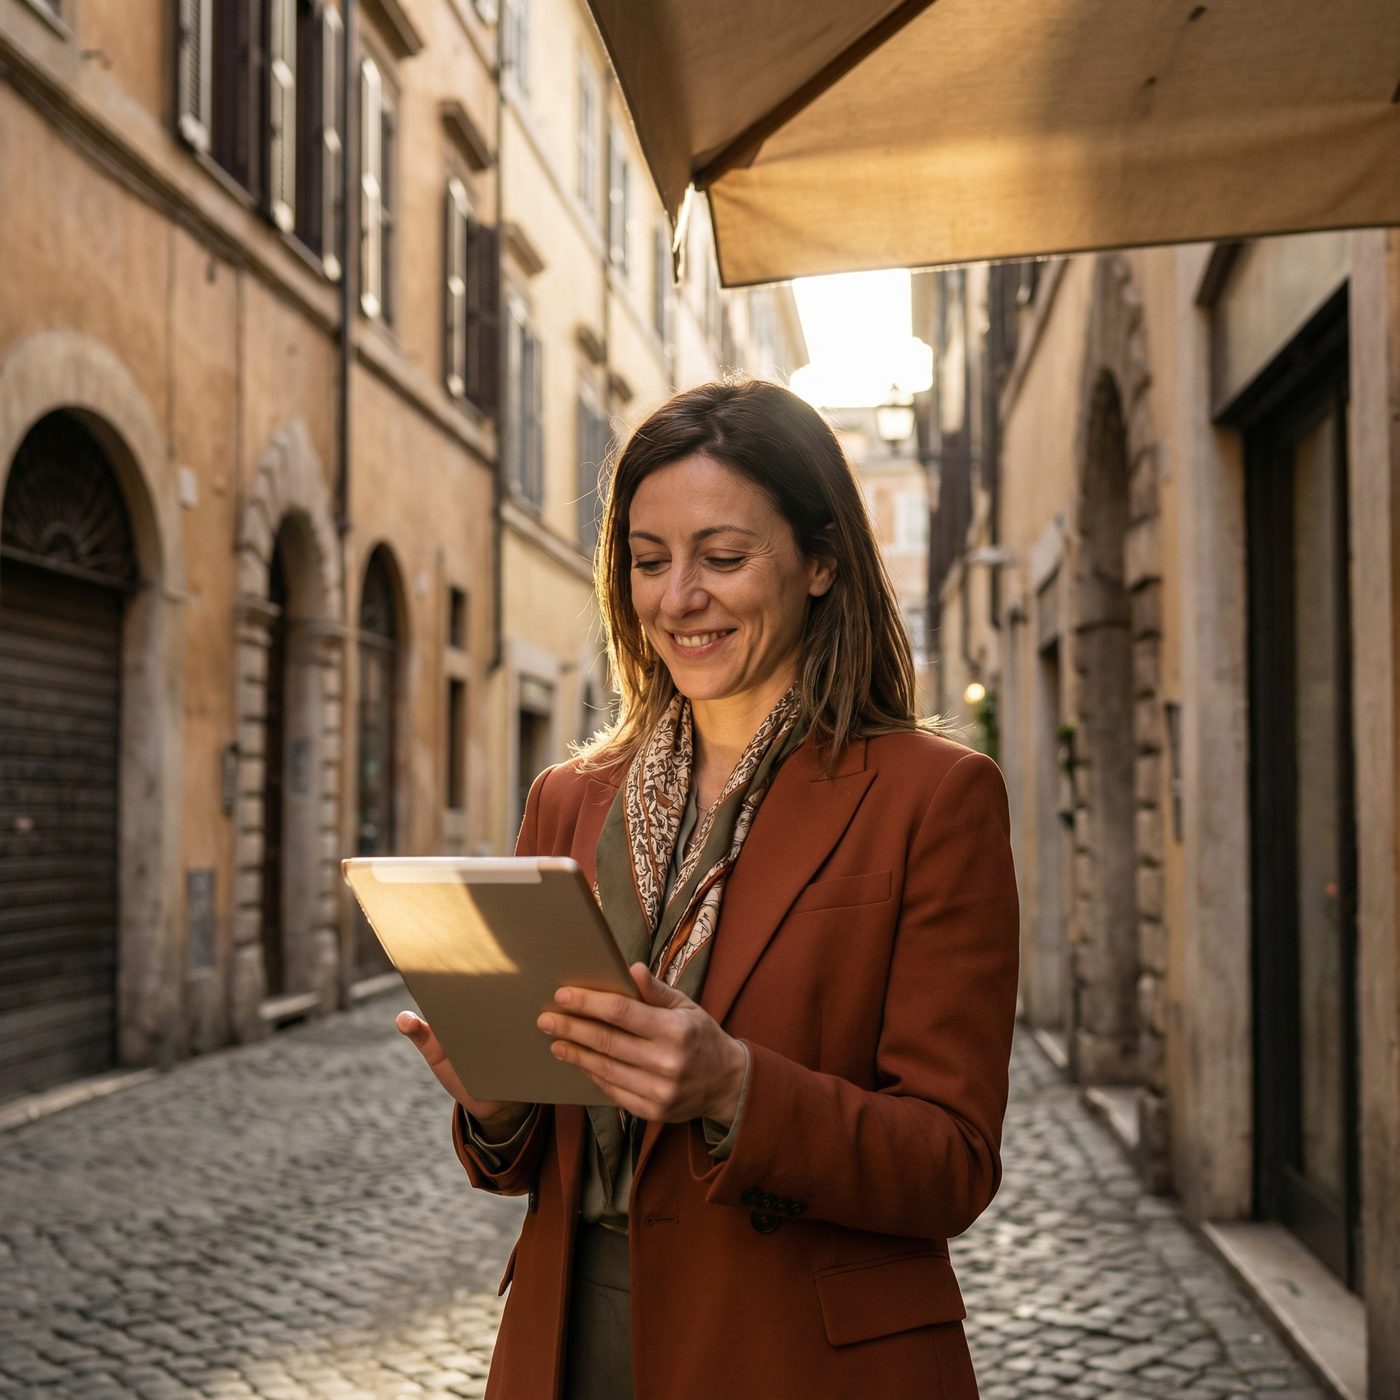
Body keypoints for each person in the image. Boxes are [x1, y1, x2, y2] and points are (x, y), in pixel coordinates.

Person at [397, 379, 1019, 1400]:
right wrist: (498, 1103)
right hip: (566, 1343)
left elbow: (951, 1160)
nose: (676, 597)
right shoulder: (566, 798)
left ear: (821, 560)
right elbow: (531, 1161)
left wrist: (735, 1086)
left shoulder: (934, 797)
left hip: (800, 1358)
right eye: (648, 561)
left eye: (721, 558)